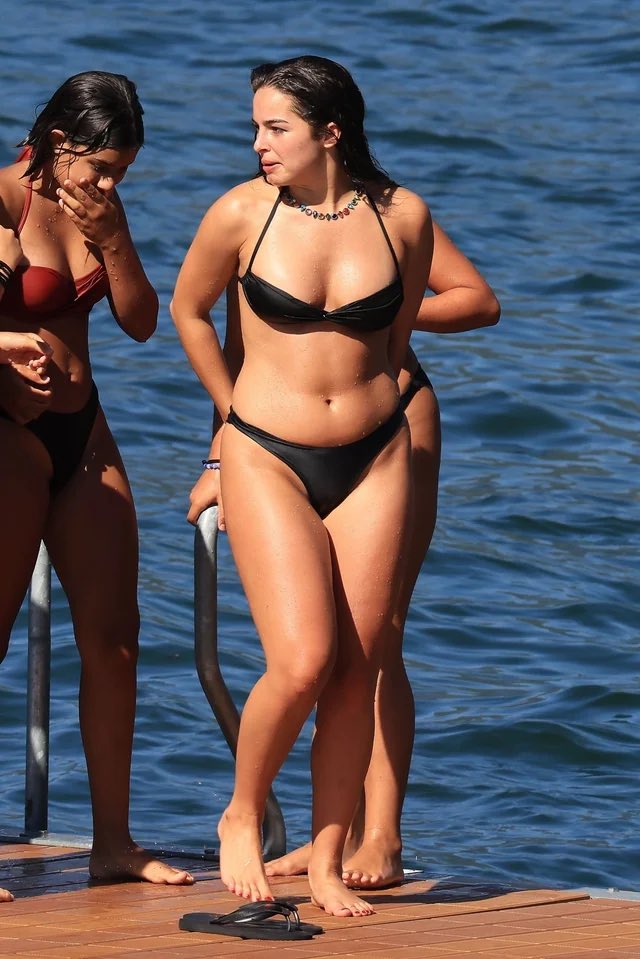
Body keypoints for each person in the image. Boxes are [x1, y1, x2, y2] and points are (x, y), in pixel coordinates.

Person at [172, 54, 434, 917]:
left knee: (360, 668)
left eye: (274, 127)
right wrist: (228, 416)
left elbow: (394, 341)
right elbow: (188, 310)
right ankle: (243, 812)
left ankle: (325, 858)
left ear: (330, 131)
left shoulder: (402, 217)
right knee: (302, 661)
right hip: (268, 452)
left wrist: (366, 407)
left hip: (376, 455)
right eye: (255, 126)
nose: (258, 143)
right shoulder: (242, 214)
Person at [0, 71, 194, 905]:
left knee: (115, 638)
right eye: (102, 168)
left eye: (123, 173)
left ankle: (112, 842)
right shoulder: (4, 198)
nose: (110, 184)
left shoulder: (100, 209)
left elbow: (140, 321)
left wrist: (114, 237)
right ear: (57, 142)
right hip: (8, 434)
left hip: (85, 433)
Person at [265, 223, 500, 889]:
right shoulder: (257, 212)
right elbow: (237, 343)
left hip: (391, 416)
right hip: (284, 433)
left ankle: (383, 838)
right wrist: (220, 456)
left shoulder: (388, 208)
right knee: (315, 643)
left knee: (377, 636)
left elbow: (478, 300)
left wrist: (384, 313)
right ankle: (332, 834)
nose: (264, 161)